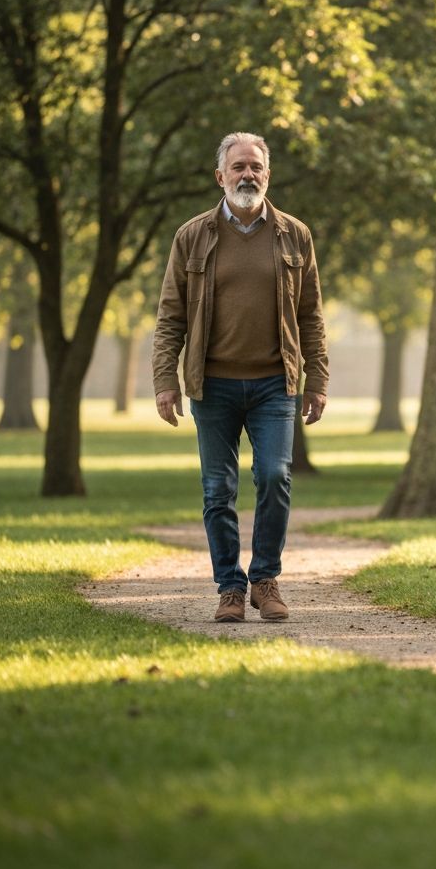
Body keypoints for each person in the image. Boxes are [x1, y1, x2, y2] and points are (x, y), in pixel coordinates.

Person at [152, 132, 328, 623]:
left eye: (256, 167)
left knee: (274, 476)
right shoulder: (192, 236)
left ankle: (265, 580)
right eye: (238, 168)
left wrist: (317, 380)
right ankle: (230, 587)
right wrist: (165, 379)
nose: (247, 175)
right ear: (221, 176)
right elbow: (170, 316)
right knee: (217, 489)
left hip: (276, 382)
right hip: (213, 385)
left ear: (267, 175)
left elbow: (311, 315)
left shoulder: (295, 235)